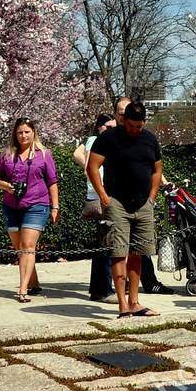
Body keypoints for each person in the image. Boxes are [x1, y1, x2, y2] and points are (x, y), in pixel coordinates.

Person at [86, 101, 162, 319]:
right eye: (131, 126)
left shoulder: (149, 139)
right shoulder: (108, 139)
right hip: (116, 202)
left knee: (138, 253)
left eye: (138, 126)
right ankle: (122, 305)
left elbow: (157, 169)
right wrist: (103, 196)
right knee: (118, 253)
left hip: (143, 203)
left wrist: (152, 196)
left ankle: (135, 301)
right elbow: (92, 166)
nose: (135, 130)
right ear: (123, 121)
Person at [0, 118, 60, 304]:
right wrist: (4, 186)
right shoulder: (7, 154)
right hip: (11, 206)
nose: (23, 136)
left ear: (33, 133)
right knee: (20, 249)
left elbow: (52, 181)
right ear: (15, 134)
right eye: (20, 132)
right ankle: (34, 283)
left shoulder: (44, 154)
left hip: (37, 204)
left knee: (28, 246)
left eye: (27, 132)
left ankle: (23, 290)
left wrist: (55, 206)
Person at [74, 113, 116, 301]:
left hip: (101, 194)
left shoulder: (95, 140)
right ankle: (103, 289)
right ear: (99, 127)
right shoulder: (95, 141)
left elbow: (77, 155)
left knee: (105, 243)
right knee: (106, 243)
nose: (110, 130)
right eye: (107, 126)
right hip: (102, 196)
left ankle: (101, 288)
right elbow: (87, 165)